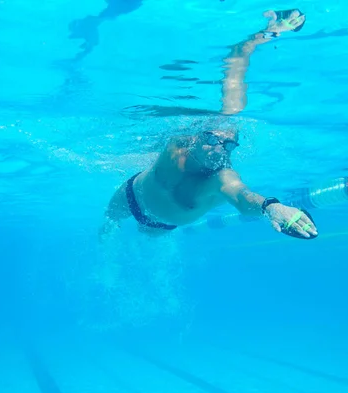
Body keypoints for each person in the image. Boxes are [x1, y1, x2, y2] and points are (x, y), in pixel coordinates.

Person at [100, 9, 318, 240]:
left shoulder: (221, 177)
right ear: (196, 136)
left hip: (163, 224)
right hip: (130, 196)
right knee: (107, 227)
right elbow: (235, 64)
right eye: (213, 139)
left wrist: (271, 207)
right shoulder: (182, 138)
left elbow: (242, 197)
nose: (220, 149)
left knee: (145, 246)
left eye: (228, 145)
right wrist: (267, 33)